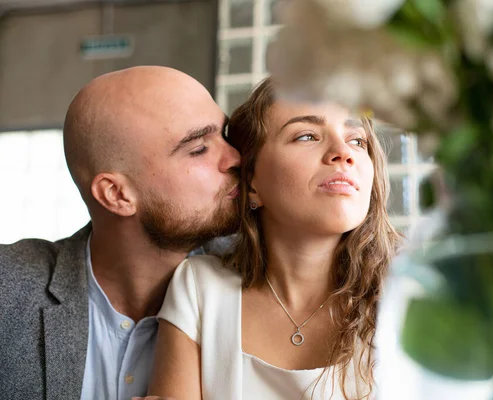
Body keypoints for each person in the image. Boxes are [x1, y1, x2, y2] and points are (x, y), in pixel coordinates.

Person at [147, 77, 400, 399]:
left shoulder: (416, 291)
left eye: (357, 141)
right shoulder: (199, 288)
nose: (342, 153)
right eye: (307, 136)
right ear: (252, 183)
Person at [0, 66, 241, 400]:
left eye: (225, 136)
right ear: (116, 194)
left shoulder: (263, 279)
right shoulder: (8, 289)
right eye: (199, 148)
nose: (235, 158)